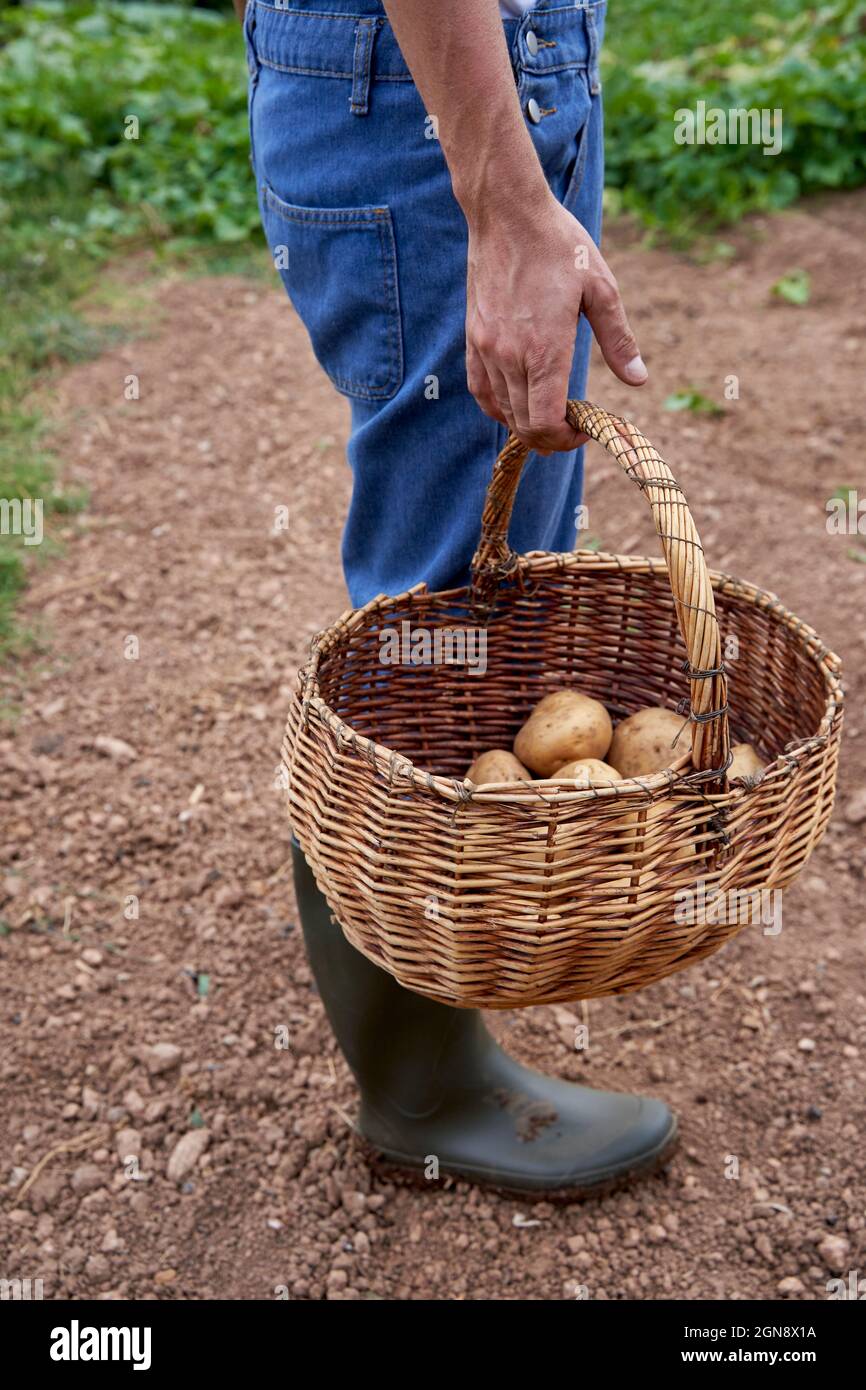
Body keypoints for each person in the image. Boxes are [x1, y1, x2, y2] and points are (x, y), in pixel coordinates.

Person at [238, 0, 676, 1196]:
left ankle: (421, 1037)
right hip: (435, 96)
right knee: (447, 625)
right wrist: (502, 200)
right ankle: (422, 1082)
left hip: (462, 78)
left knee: (480, 601)